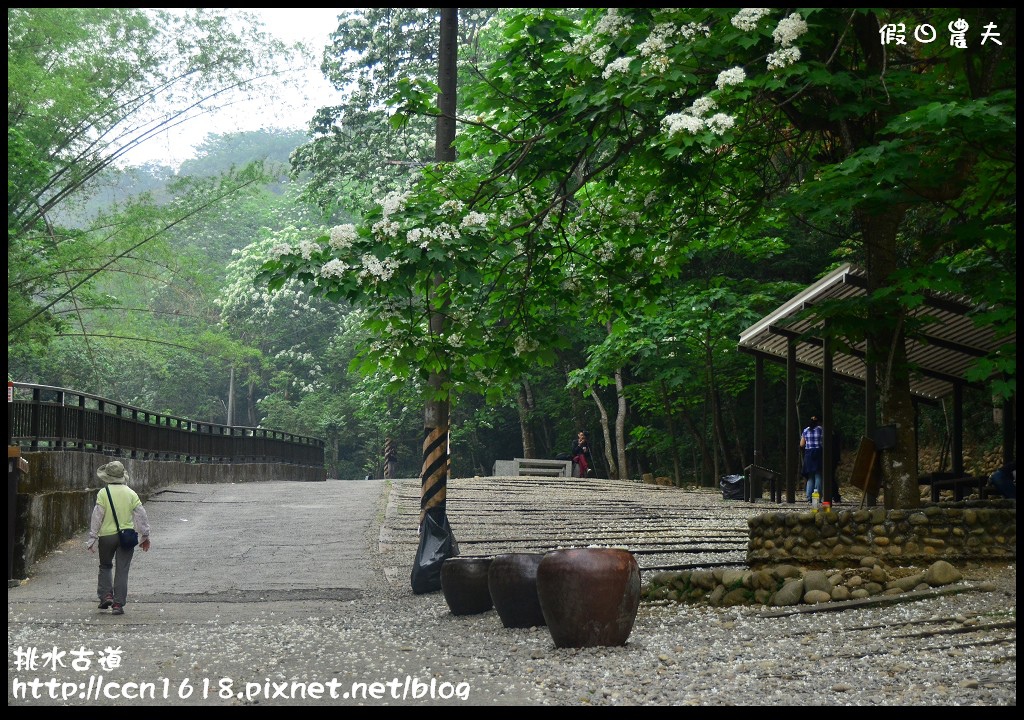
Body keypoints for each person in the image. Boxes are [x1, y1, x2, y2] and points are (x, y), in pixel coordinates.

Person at [85, 460, 151, 615]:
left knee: (105, 566)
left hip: (107, 537)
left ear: (107, 477)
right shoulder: (131, 493)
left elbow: (97, 516)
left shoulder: (103, 493)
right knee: (122, 570)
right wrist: (145, 535)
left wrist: (92, 538)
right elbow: (141, 515)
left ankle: (106, 595)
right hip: (126, 537)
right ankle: (118, 604)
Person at [800, 415, 823, 504]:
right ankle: (817, 497)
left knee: (810, 476)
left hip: (808, 453)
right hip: (818, 452)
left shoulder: (805, 430)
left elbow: (802, 444)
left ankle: (809, 497)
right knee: (818, 475)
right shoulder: (820, 429)